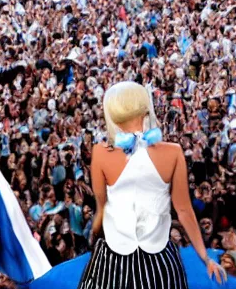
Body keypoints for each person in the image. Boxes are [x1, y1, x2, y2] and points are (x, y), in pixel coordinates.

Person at [78, 81, 225, 288]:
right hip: (157, 262)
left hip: (116, 260)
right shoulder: (173, 151)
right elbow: (183, 210)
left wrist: (91, 239)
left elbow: (102, 209)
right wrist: (205, 257)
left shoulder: (101, 153)